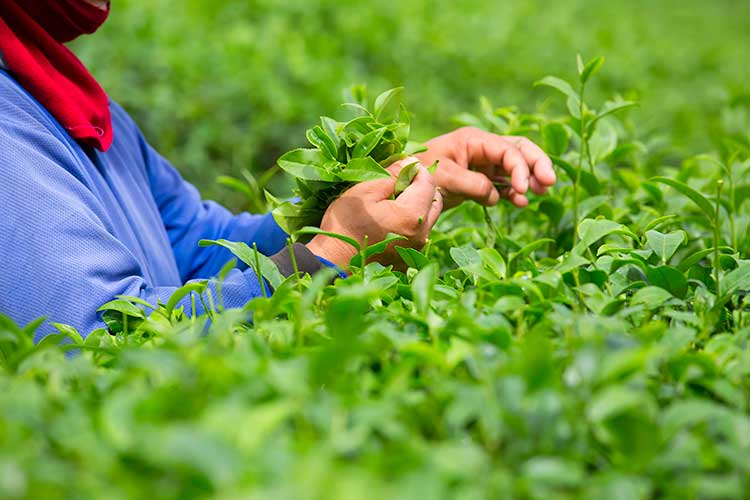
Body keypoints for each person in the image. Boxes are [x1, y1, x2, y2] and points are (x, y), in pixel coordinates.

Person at [0, 0, 556, 341]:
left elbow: (199, 243)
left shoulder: (63, 94)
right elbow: (90, 338)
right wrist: (327, 257)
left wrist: (391, 182)